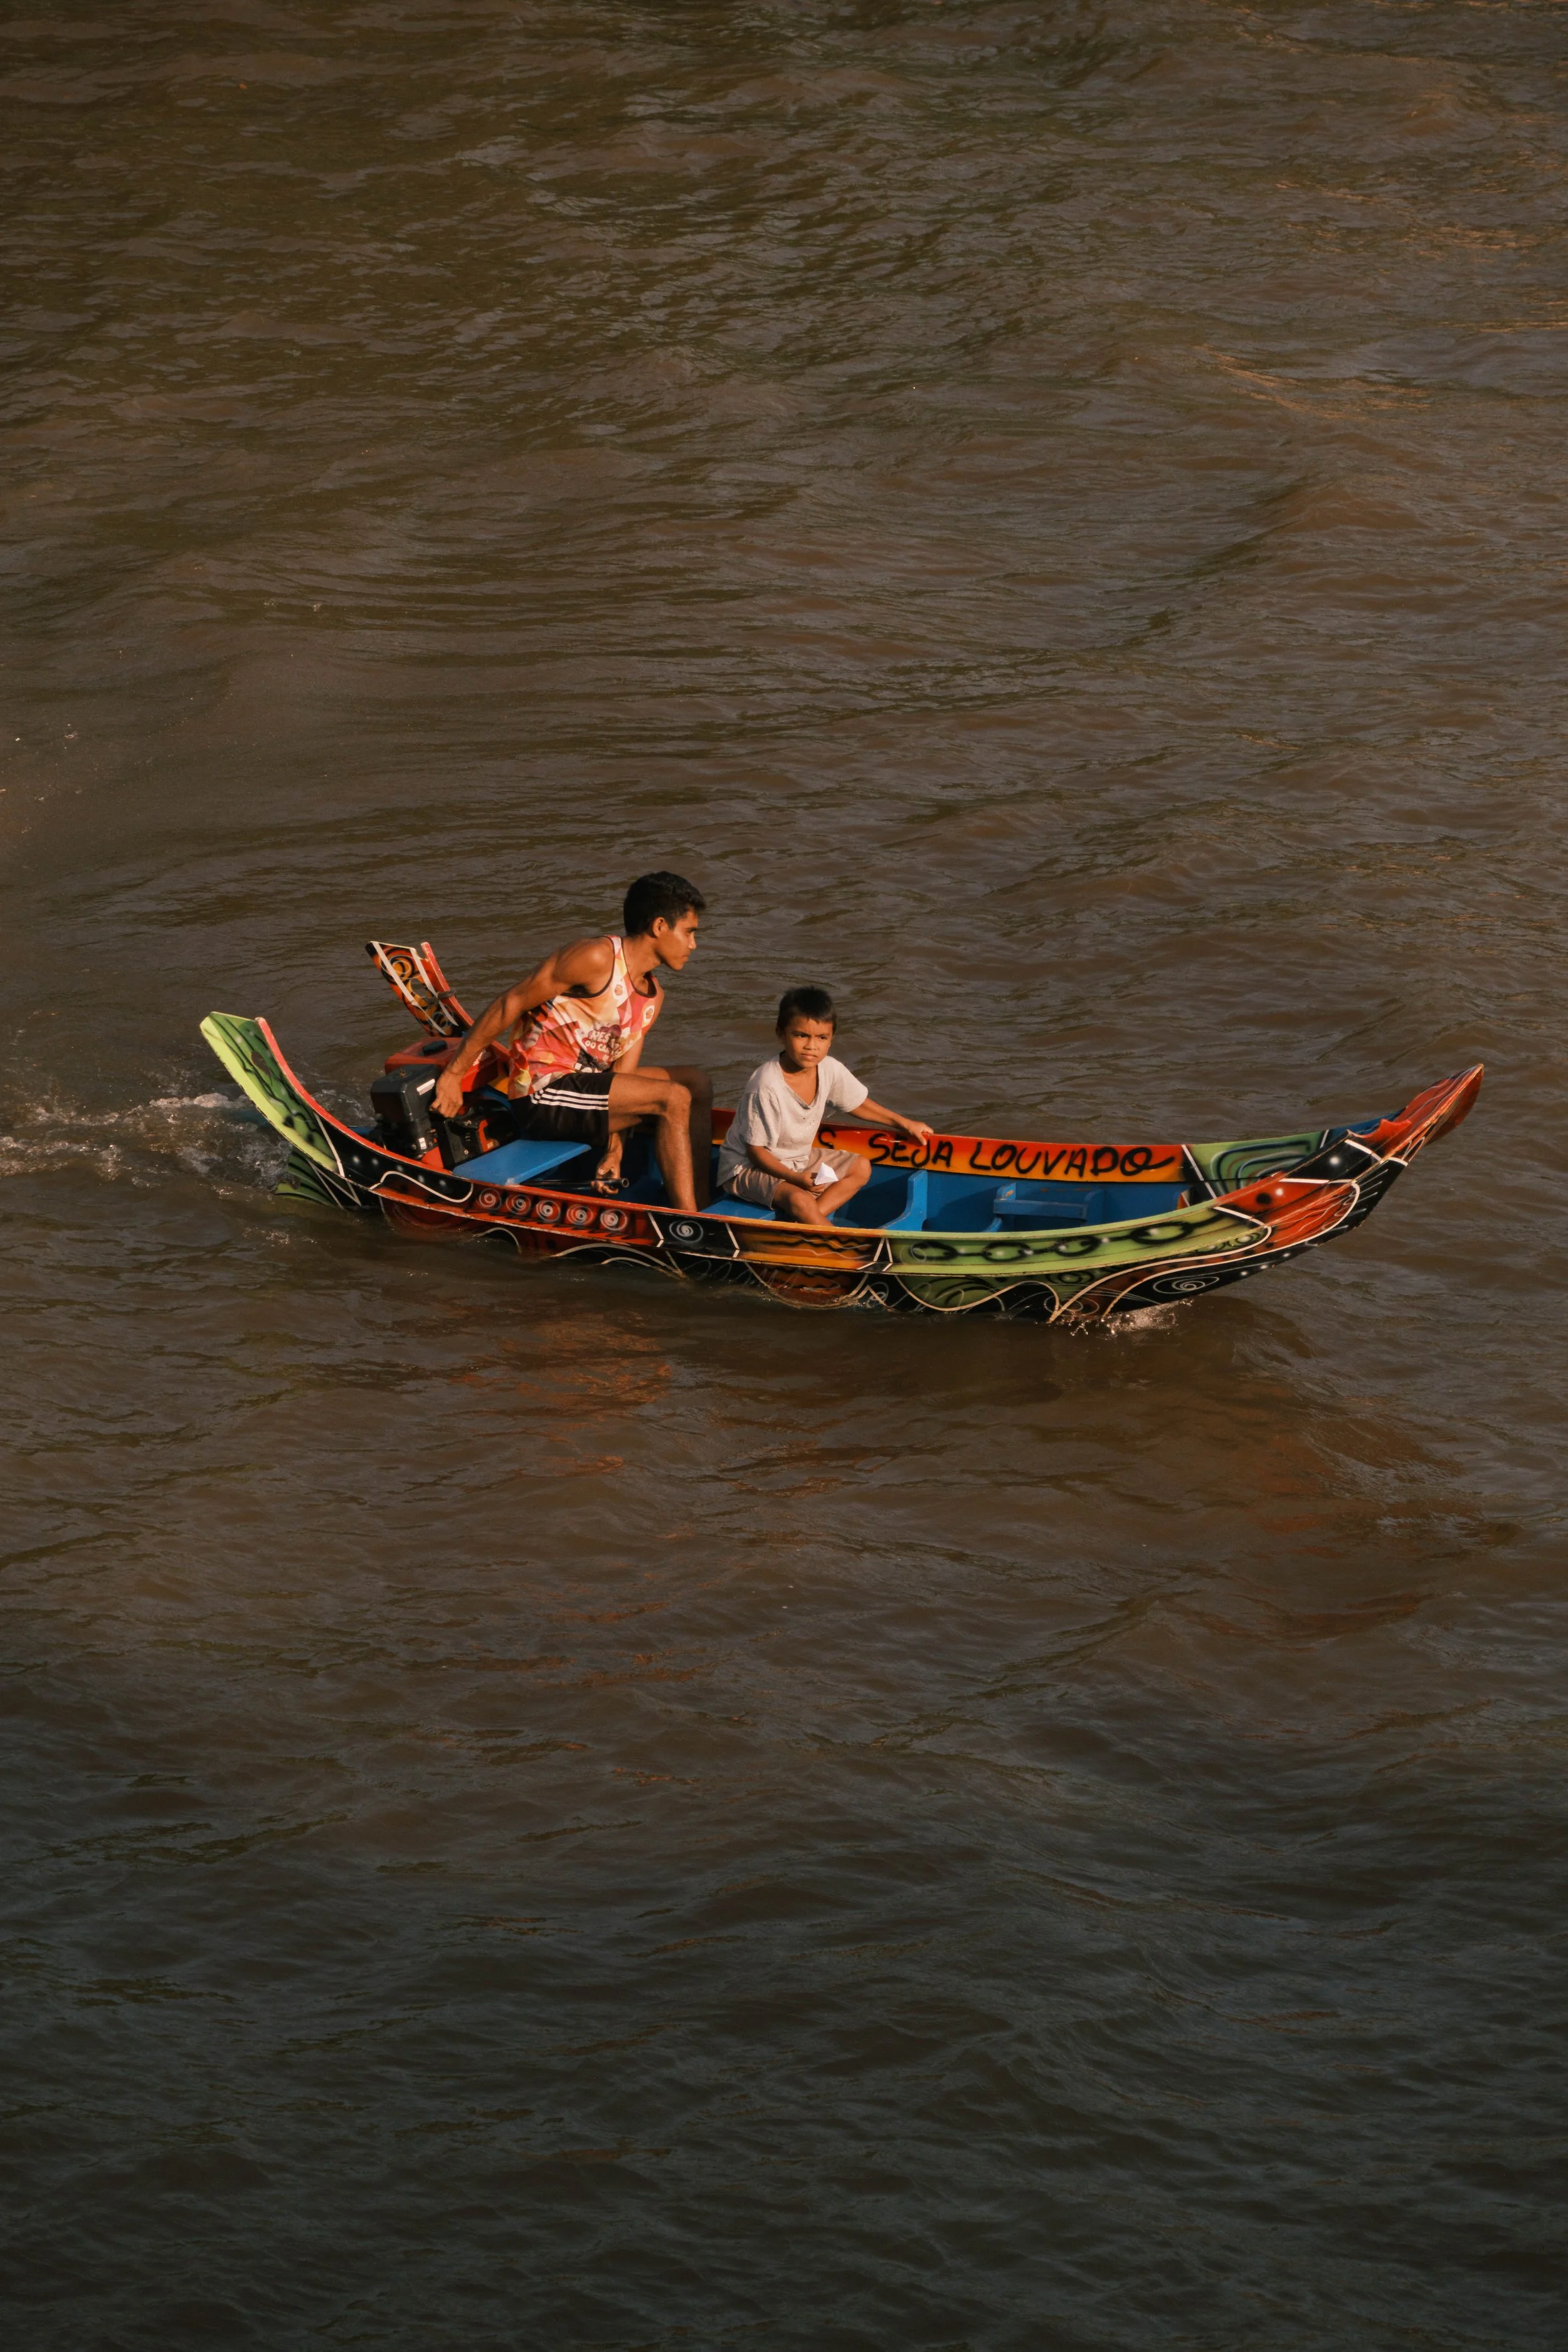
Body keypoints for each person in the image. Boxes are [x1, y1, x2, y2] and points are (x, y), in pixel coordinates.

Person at [432, 872, 713, 1211]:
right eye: (689, 932)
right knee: (674, 1098)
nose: (693, 945)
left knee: (696, 1084)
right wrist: (453, 1075)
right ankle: (688, 1221)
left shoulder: (654, 997)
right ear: (658, 927)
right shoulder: (596, 958)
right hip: (541, 1093)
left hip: (587, 1091)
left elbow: (623, 1080)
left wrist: (615, 1150)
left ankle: (704, 1205)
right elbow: (512, 1002)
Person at [716, 986, 932, 1226]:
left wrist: (906, 1123)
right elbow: (756, 1152)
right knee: (800, 1199)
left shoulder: (829, 1069)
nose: (812, 1046)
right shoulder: (766, 1086)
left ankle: (807, 1224)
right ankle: (834, 1244)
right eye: (801, 1036)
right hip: (745, 1168)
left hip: (796, 1160)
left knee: (860, 1167)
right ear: (781, 1035)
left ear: (831, 1040)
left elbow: (858, 1104)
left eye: (821, 1038)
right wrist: (796, 1179)